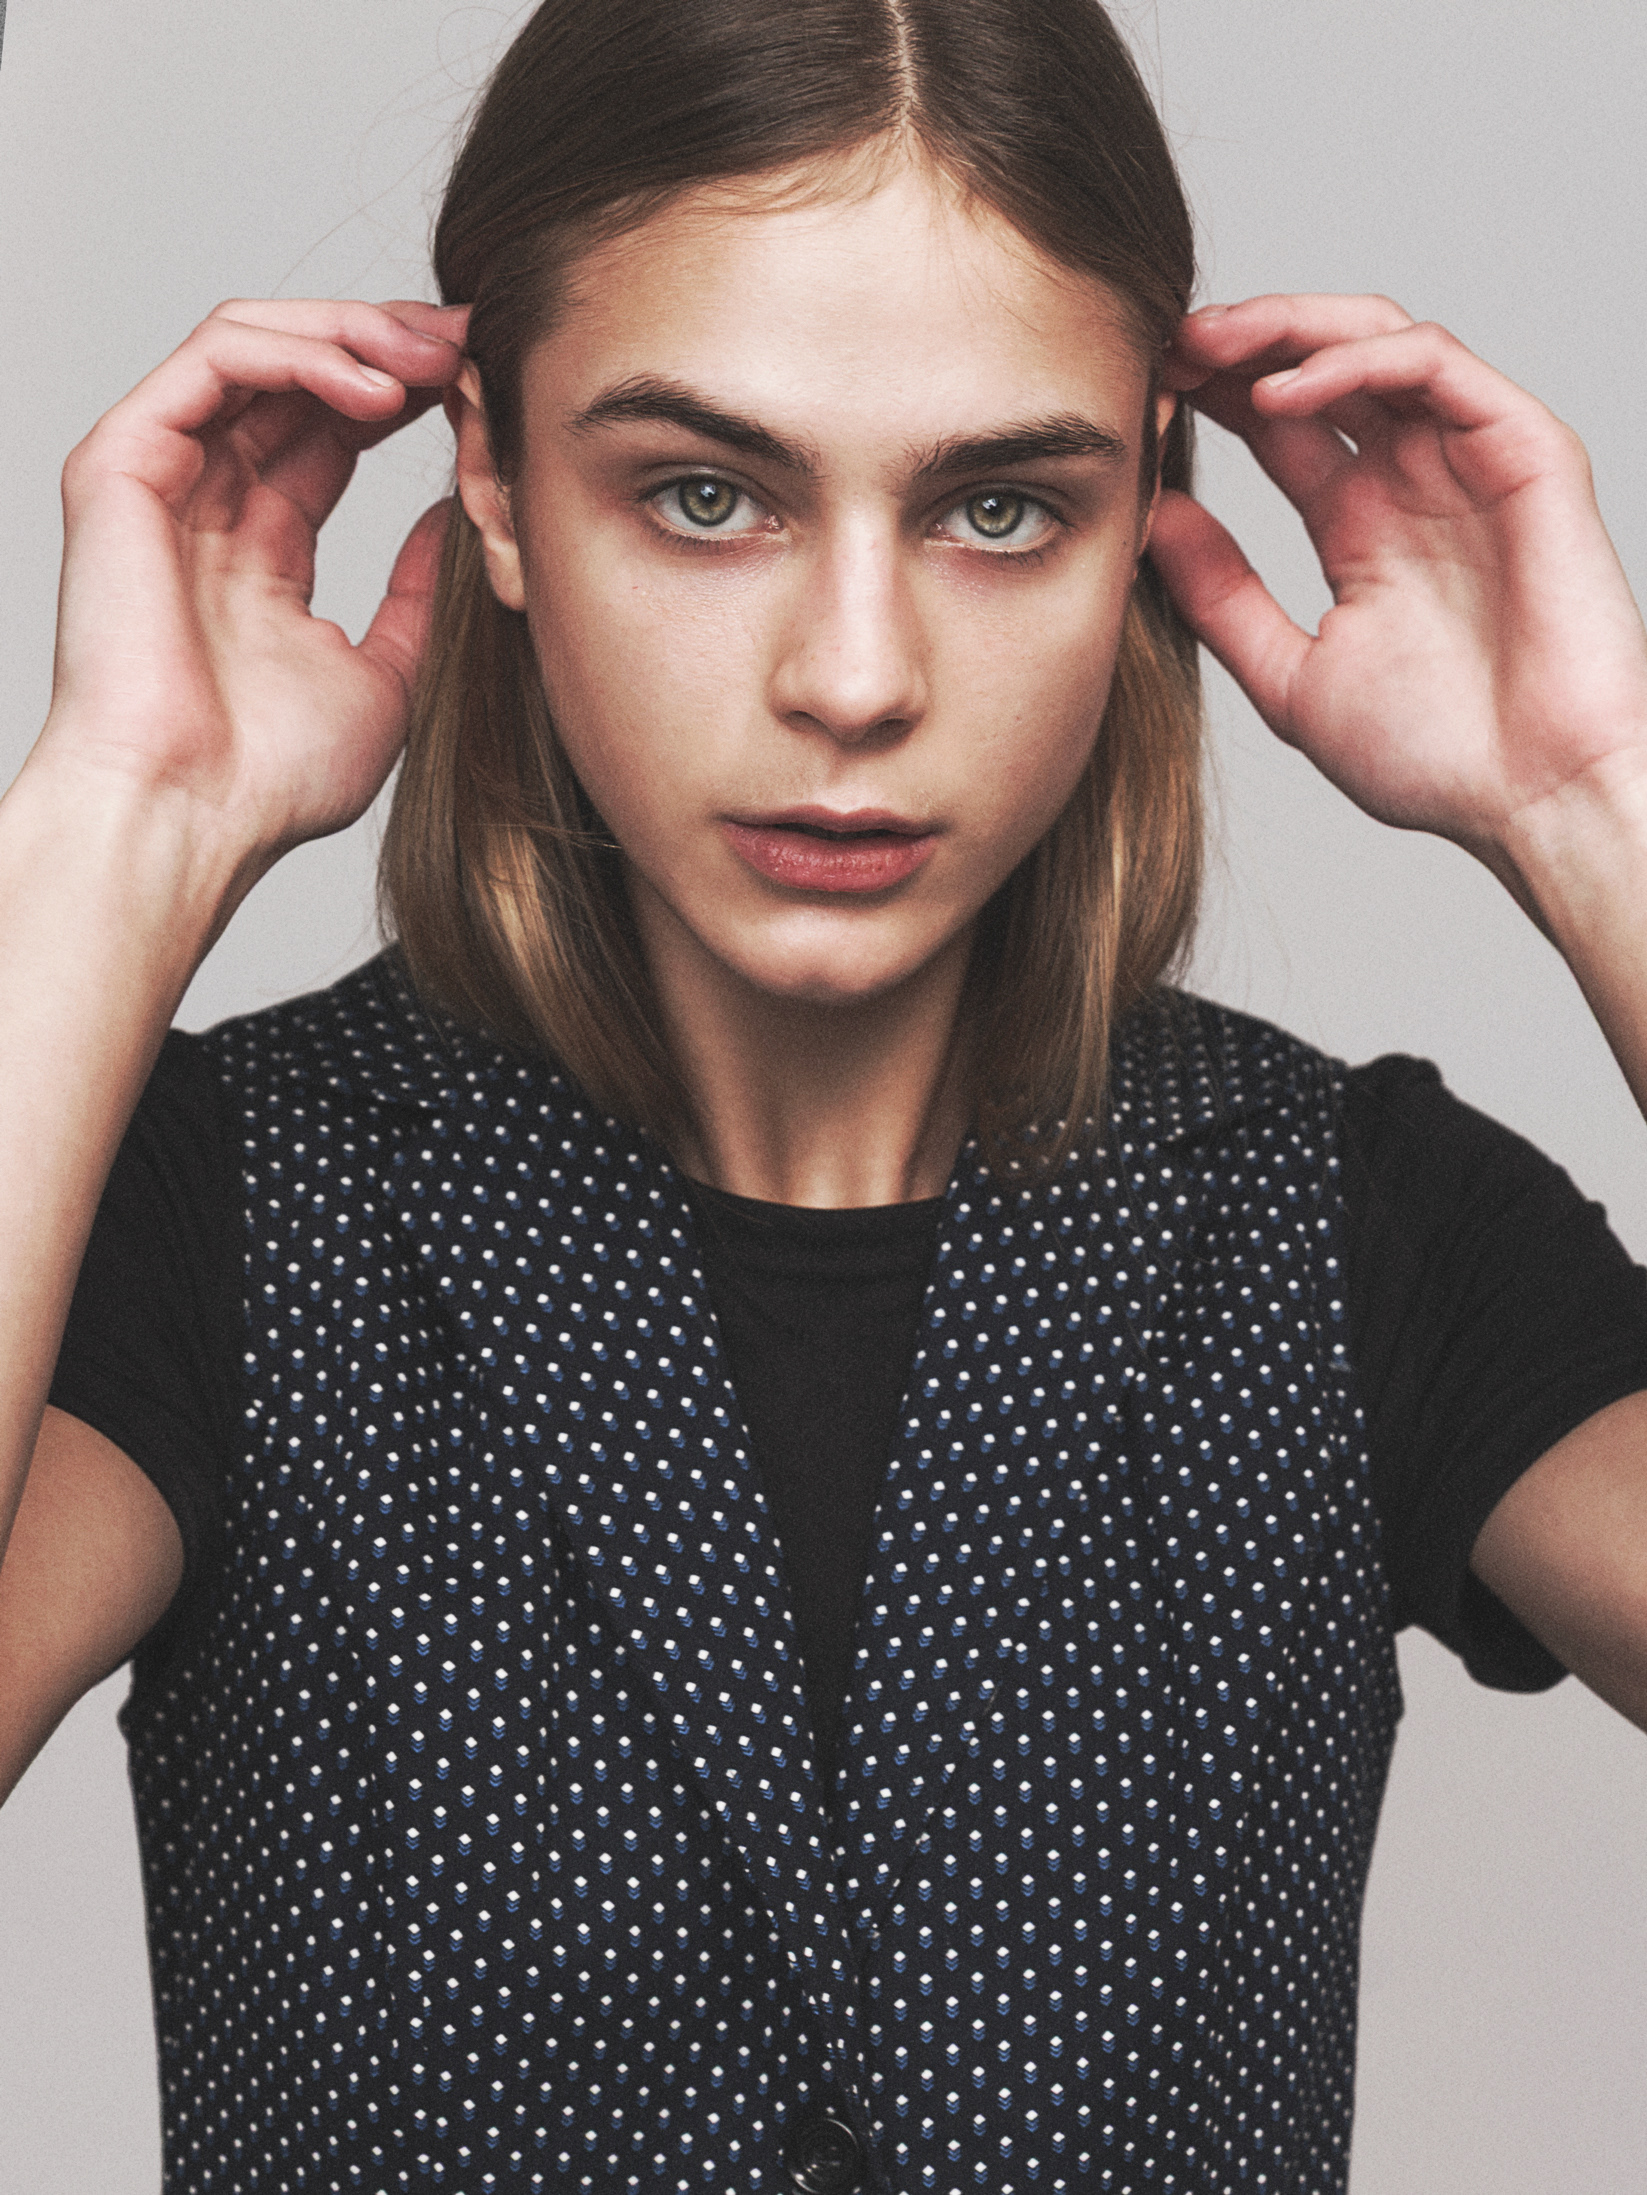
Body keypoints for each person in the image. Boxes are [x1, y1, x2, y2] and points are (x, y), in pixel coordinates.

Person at [0, 0, 1643, 2189]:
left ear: (1145, 511)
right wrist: (120, 823)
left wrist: (1593, 799)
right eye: (704, 495)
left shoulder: (1354, 1232)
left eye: (997, 507)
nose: (854, 678)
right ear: (492, 477)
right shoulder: (220, 1215)